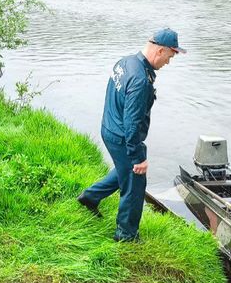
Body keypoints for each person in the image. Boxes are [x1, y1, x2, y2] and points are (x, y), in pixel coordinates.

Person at [77, 28, 186, 242]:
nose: (168, 62)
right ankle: (126, 235)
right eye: (170, 56)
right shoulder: (140, 80)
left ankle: (90, 197)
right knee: (135, 183)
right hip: (122, 136)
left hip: (108, 128)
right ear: (160, 51)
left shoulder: (125, 62)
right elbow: (132, 123)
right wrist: (138, 157)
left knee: (124, 170)